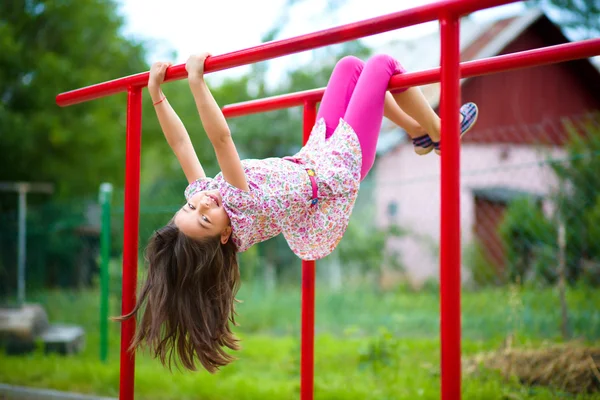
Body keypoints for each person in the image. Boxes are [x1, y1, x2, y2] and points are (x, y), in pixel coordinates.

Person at [118, 53, 478, 373]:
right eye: (205, 218)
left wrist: (157, 96)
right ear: (225, 234)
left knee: (350, 67)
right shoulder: (242, 208)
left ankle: (419, 132)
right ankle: (442, 133)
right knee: (383, 65)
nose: (203, 203)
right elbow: (221, 139)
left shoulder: (210, 198)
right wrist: (197, 82)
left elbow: (181, 144)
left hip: (316, 154)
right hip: (341, 165)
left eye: (190, 207)